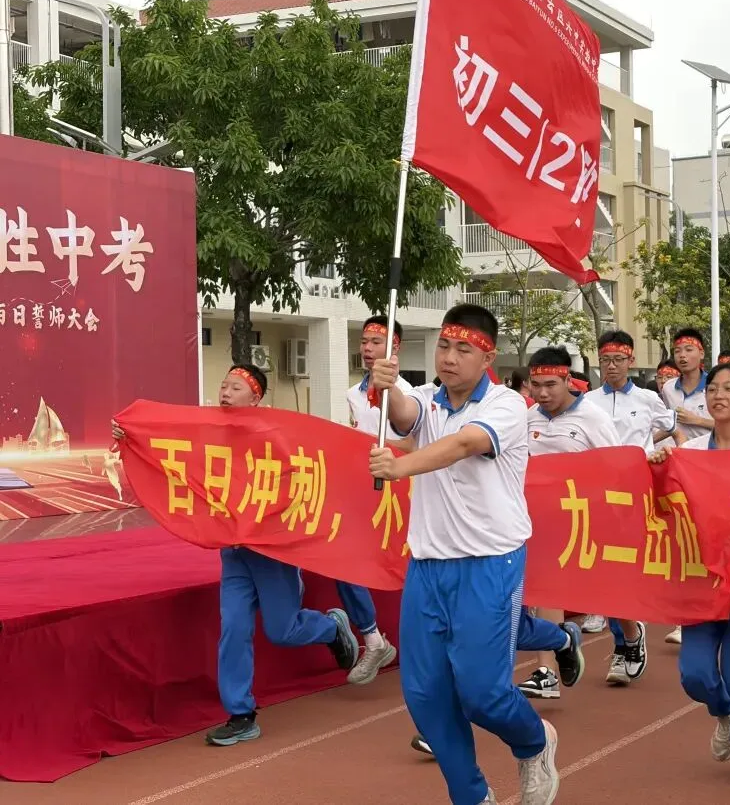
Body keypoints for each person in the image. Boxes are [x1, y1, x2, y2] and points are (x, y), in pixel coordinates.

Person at [368, 303, 558, 805]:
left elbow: (465, 444)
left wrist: (400, 468)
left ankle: (534, 743)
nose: (449, 358)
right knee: (426, 696)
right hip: (428, 566)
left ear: (486, 356)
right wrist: (389, 386)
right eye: (444, 347)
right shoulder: (429, 400)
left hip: (490, 563)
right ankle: (471, 795)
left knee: (482, 694)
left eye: (463, 349)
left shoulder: (505, 406)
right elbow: (408, 415)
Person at [115, 364, 361, 747]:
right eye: (223, 386)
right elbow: (169, 448)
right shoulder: (209, 435)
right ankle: (241, 713)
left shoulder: (275, 436)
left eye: (234, 387)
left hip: (270, 551)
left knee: (282, 630)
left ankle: (331, 627)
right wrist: (130, 434)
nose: (225, 393)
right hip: (234, 552)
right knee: (234, 628)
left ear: (256, 397)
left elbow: (298, 480)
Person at [650, 361, 730, 786]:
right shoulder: (688, 454)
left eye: (729, 389)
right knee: (695, 674)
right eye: (713, 388)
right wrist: (658, 467)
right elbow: (663, 506)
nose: (718, 395)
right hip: (701, 582)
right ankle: (722, 712)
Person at [514, 346, 615, 700]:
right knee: (543, 589)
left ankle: (631, 637)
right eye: (536, 385)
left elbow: (615, 467)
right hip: (539, 520)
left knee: (613, 592)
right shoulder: (529, 418)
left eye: (551, 385)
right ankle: (546, 671)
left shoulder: (593, 418)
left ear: (567, 380)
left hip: (584, 518)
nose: (542, 393)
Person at [584, 329, 683, 678]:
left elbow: (673, 430)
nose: (611, 366)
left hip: (636, 492)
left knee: (625, 567)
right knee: (603, 570)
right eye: (605, 360)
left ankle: (627, 640)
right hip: (597, 494)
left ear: (630, 360)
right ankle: (627, 637)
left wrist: (665, 457)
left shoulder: (649, 399)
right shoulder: (587, 401)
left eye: (618, 360)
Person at [340, 315, 405, 683]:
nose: (367, 348)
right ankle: (372, 637)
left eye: (375, 342)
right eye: (364, 341)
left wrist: (381, 451)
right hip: (364, 493)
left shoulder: (409, 393)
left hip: (400, 495)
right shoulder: (353, 393)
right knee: (342, 561)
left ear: (394, 347)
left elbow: (414, 444)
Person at [661, 328, 712, 442]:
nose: (682, 355)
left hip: (711, 453)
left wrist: (698, 420)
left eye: (689, 350)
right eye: (677, 351)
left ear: (701, 354)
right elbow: (670, 424)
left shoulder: (715, 386)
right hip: (681, 454)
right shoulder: (668, 388)